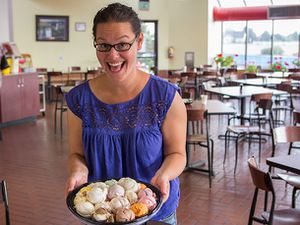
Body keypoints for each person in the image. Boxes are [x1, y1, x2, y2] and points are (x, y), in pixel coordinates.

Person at [65, 3, 187, 224]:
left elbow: (177, 154)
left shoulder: (166, 97)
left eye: (122, 44)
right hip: (103, 212)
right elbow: (76, 154)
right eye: (103, 45)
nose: (112, 56)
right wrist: (78, 169)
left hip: (157, 208)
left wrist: (164, 175)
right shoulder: (78, 100)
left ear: (139, 41)